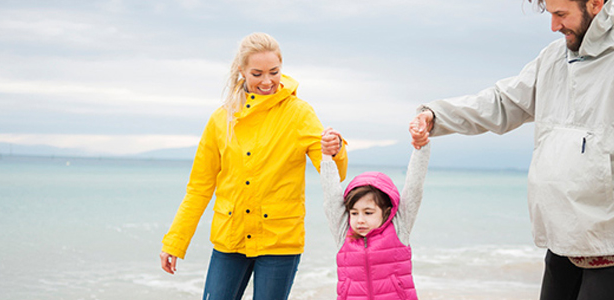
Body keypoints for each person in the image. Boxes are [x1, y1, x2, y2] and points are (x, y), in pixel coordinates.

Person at [409, 0, 614, 299]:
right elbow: (503, 102)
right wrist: (437, 115)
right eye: (550, 14)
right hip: (561, 239)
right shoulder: (553, 58)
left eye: (561, 14)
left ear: (596, 3)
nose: (553, 26)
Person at [159, 32, 348, 300]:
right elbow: (199, 189)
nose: (267, 81)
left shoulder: (299, 114)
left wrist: (335, 150)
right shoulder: (220, 120)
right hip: (230, 238)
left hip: (279, 241)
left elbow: (334, 174)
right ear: (242, 71)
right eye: (257, 73)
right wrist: (175, 242)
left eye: (274, 72)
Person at [320, 124, 430, 300]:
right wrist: (326, 156)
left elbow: (414, 187)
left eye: (368, 212)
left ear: (386, 211)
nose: (359, 220)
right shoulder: (344, 233)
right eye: (354, 213)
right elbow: (331, 196)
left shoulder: (399, 229)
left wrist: (421, 147)